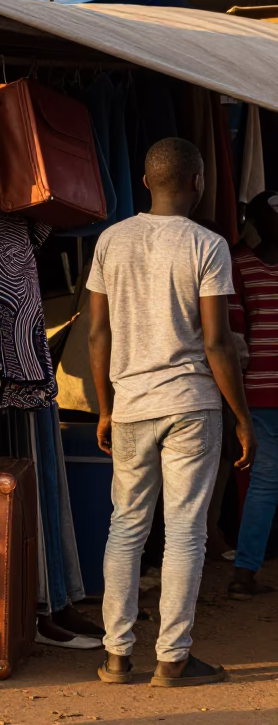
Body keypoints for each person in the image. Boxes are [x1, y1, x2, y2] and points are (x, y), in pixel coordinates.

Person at [88, 137, 254, 687]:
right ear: (198, 182)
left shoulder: (111, 241)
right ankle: (173, 659)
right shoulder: (208, 244)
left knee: (126, 526)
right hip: (190, 405)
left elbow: (96, 333)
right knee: (185, 531)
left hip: (132, 403)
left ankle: (115, 655)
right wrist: (243, 416)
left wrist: (105, 408)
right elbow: (217, 342)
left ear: (144, 181)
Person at [228, 190, 278, 599]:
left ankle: (244, 574)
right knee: (264, 481)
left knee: (263, 481)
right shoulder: (238, 265)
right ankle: (244, 573)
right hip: (260, 393)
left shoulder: (240, 265)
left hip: (258, 391)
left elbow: (235, 338)